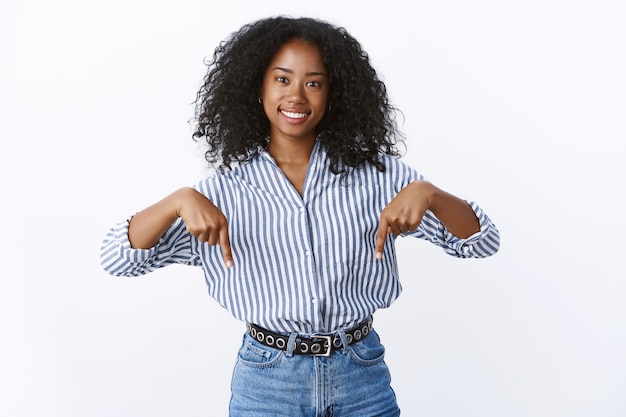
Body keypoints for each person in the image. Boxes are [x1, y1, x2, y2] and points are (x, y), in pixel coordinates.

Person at [100, 15, 500, 417]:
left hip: (361, 375)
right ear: (257, 87)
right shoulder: (219, 195)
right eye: (282, 79)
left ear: (332, 93)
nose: (297, 96)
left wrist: (430, 194)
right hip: (268, 383)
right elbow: (117, 259)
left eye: (314, 82)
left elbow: (482, 242)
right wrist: (177, 200)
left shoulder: (379, 177)